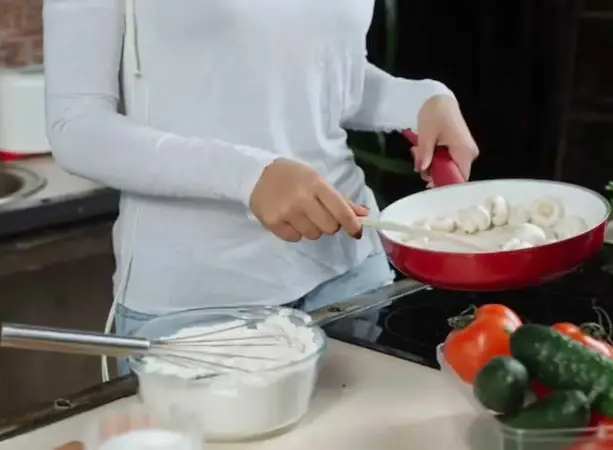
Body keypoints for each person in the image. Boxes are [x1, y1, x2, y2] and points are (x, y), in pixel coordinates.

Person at [43, 0, 479, 378]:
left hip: (351, 277)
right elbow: (76, 127)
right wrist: (247, 175)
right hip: (200, 309)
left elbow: (320, 71)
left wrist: (417, 99)